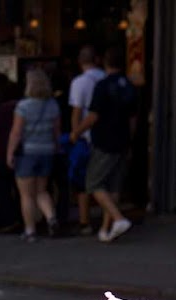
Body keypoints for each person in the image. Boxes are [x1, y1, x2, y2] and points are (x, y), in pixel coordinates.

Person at [71, 45, 136, 243]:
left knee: (94, 183)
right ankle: (106, 229)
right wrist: (129, 140)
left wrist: (76, 132)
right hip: (122, 141)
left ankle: (117, 219)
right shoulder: (129, 86)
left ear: (105, 62)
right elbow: (133, 118)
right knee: (113, 186)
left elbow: (93, 116)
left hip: (104, 141)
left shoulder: (103, 85)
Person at [6, 67, 61, 243]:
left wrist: (9, 153)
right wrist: (56, 148)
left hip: (27, 152)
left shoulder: (23, 106)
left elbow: (16, 132)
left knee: (26, 195)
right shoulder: (53, 105)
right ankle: (51, 217)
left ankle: (30, 230)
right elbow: (56, 132)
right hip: (47, 151)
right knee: (42, 191)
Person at [67, 46, 105, 234]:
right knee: (105, 180)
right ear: (97, 60)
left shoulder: (79, 82)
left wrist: (75, 133)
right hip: (108, 136)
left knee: (82, 181)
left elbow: (77, 111)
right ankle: (108, 220)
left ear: (79, 62)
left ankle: (85, 221)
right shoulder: (106, 78)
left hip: (87, 137)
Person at [0, 74, 22, 233]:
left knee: (3, 188)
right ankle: (19, 217)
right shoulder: (22, 107)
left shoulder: (0, 109)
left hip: (1, 151)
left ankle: (4, 220)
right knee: (19, 187)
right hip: (20, 151)